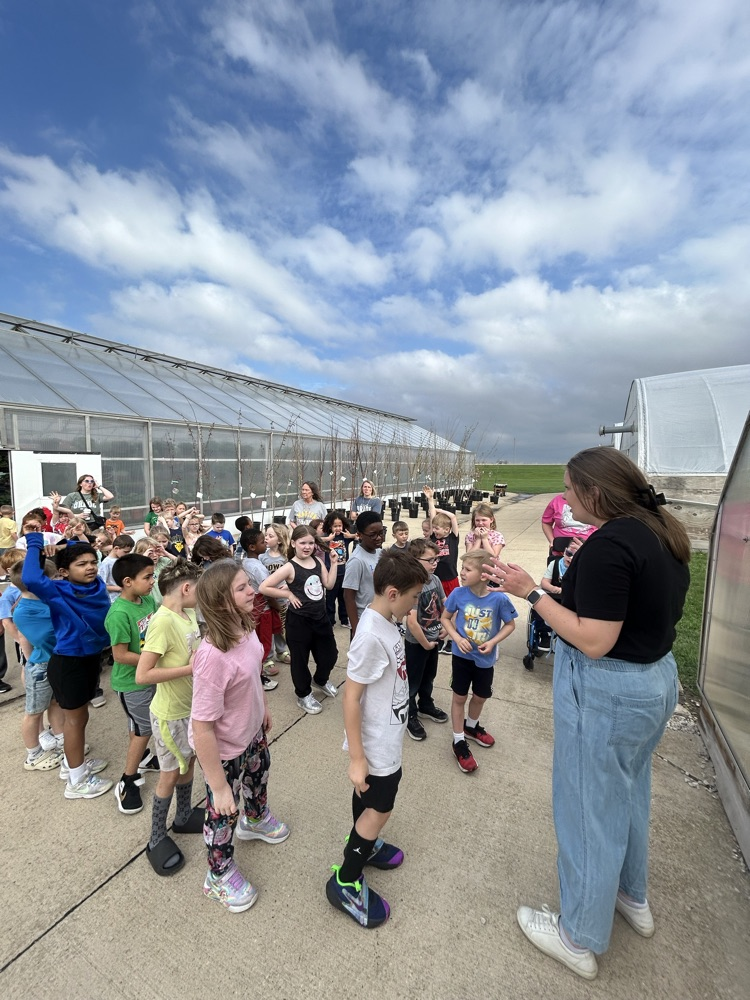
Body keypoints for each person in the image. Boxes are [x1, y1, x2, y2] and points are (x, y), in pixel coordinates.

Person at [491, 448, 690, 980]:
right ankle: (631, 896)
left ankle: (577, 935)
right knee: (627, 793)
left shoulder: (608, 545)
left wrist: (530, 592)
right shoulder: (657, 531)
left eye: (572, 490)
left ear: (595, 492)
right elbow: (617, 606)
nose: (567, 499)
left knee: (586, 809)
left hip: (607, 693)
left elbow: (595, 639)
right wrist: (557, 589)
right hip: (652, 682)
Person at [326, 550, 428, 928]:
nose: (416, 602)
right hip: (374, 744)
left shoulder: (387, 618)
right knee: (381, 808)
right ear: (391, 592)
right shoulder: (370, 634)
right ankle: (346, 880)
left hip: (387, 734)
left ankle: (364, 846)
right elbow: (351, 698)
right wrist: (357, 757)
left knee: (369, 798)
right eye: (414, 596)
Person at [191, 560, 290, 913]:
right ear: (220, 602)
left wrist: (261, 707)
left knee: (260, 773)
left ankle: (257, 817)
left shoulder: (246, 631)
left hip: (251, 734)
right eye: (242, 588)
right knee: (222, 814)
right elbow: (201, 727)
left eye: (249, 584)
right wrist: (217, 786)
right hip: (223, 750)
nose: (253, 590)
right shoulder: (212, 657)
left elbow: (253, 675)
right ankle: (217, 875)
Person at [22, 533, 113, 799]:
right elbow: (29, 578)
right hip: (69, 662)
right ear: (63, 571)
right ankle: (77, 781)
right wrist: (35, 542)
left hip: (89, 658)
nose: (90, 567)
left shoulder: (94, 584)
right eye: (81, 564)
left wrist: (65, 546)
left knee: (81, 718)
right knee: (75, 721)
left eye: (92, 561)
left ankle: (72, 764)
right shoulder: (58, 589)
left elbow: (79, 548)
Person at [135, 560, 204, 877]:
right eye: (198, 590)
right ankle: (156, 838)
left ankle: (184, 815)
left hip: (191, 710)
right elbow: (143, 674)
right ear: (185, 588)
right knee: (168, 775)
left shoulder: (187, 613)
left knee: (187, 764)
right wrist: (191, 669)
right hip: (170, 715)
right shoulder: (162, 622)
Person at [440, 550, 517, 773]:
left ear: (484, 575)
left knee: (481, 696)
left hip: (485, 658)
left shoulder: (499, 598)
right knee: (459, 697)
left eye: (467, 569)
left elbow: (510, 624)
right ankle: (458, 740)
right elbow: (445, 618)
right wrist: (456, 637)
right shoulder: (458, 593)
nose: (461, 573)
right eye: (462, 568)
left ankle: (471, 726)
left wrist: (493, 642)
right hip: (461, 656)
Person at [259, 525, 339, 715]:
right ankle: (303, 694)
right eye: (302, 543)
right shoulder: (289, 567)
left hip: (320, 619)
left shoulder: (318, 561)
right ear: (293, 543)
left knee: (330, 655)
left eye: (311, 543)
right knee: (300, 661)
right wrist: (288, 595)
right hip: (299, 621)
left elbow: (328, 584)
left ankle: (320, 679)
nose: (307, 547)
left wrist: (334, 564)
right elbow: (264, 587)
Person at [105, 553, 159, 815]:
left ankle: (144, 758)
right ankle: (127, 780)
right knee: (143, 728)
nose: (152, 581)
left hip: (149, 675)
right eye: (147, 577)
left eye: (152, 575)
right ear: (127, 581)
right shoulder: (118, 613)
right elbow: (120, 655)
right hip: (131, 683)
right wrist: (152, 662)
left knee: (139, 724)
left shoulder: (146, 599)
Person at [9, 558, 66, 770]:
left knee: (56, 703)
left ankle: (62, 740)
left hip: (55, 663)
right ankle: (33, 754)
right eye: (52, 578)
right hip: (41, 667)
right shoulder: (25, 610)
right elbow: (47, 636)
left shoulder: (42, 601)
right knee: (33, 712)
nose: (56, 581)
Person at [403, 538, 449, 741]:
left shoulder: (435, 580)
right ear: (414, 560)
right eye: (430, 560)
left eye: (436, 559)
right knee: (412, 681)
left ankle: (426, 705)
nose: (435, 563)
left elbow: (445, 603)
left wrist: (447, 627)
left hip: (433, 639)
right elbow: (411, 621)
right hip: (417, 643)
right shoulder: (411, 585)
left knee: (429, 676)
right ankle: (410, 714)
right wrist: (425, 643)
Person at [424, 486, 460, 654]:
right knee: (437, 608)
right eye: (434, 528)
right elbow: (433, 518)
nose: (435, 531)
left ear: (447, 529)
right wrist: (430, 500)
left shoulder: (453, 537)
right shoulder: (432, 537)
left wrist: (440, 510)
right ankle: (437, 635)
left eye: (438, 528)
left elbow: (452, 516)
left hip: (451, 578)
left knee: (453, 609)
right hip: (436, 579)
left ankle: (452, 640)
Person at [342, 512, 385, 639]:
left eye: (381, 533)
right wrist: (356, 628)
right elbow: (348, 596)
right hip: (363, 622)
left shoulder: (379, 552)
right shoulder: (357, 560)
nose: (378, 538)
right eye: (373, 535)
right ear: (359, 535)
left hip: (379, 617)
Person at [541, 491, 597, 557]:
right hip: (560, 551)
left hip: (589, 549)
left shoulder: (596, 501)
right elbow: (546, 522)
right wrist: (552, 541)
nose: (563, 495)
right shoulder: (558, 500)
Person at [322, 510, 353, 628]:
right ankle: (330, 621)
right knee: (330, 599)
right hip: (331, 574)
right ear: (330, 526)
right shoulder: (326, 538)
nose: (338, 528)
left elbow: (360, 535)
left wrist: (351, 536)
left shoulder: (345, 537)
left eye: (340, 525)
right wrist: (327, 539)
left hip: (344, 573)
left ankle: (344, 619)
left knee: (343, 598)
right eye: (335, 526)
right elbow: (315, 539)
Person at [98, 533, 135, 603]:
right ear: (116, 548)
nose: (127, 555)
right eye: (125, 552)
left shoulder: (122, 560)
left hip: (126, 598)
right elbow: (101, 585)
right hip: (113, 600)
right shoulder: (106, 563)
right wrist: (119, 588)